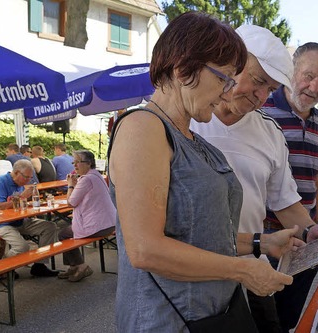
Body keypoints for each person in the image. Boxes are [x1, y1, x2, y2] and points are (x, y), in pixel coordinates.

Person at [109, 12, 300, 332]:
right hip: (165, 321)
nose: (227, 92)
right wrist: (243, 272)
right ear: (184, 69)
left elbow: (203, 236)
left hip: (212, 317)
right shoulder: (142, 128)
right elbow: (145, 249)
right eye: (223, 78)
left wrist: (262, 243)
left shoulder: (194, 140)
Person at [191, 25, 318, 332]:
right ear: (229, 65)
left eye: (269, 89)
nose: (260, 97)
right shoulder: (189, 119)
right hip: (195, 271)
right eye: (257, 81)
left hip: (253, 265)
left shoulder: (270, 132)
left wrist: (311, 230)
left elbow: (285, 201)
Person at [262, 42, 318, 332]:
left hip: (305, 240)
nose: (314, 87)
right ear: (291, 69)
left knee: (290, 319)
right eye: (308, 76)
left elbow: (316, 181)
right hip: (266, 240)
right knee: (264, 319)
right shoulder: (262, 112)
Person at [0, 160, 58, 277]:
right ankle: (1, 268)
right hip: (0, 223)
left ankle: (39, 266)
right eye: (26, 177)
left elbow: (18, 204)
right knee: (22, 246)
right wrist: (22, 197)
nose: (28, 181)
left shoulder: (19, 184)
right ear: (16, 173)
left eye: (30, 178)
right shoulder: (0, 181)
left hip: (18, 221)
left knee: (49, 227)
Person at [57, 150, 115, 282]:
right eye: (74, 162)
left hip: (99, 226)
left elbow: (71, 202)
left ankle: (80, 266)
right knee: (67, 231)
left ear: (88, 163)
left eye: (78, 162)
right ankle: (74, 266)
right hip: (110, 222)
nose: (75, 165)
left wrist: (71, 185)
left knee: (63, 234)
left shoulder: (86, 179)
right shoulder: (96, 175)